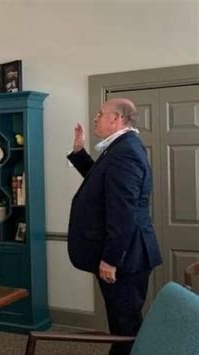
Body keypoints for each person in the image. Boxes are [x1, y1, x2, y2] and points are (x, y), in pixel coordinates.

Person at [67, 98, 162, 355]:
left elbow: (124, 213)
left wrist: (111, 259)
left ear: (116, 119)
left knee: (125, 330)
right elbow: (100, 183)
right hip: (126, 254)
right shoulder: (119, 147)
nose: (95, 118)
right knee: (123, 325)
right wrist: (79, 152)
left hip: (125, 258)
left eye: (100, 113)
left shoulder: (125, 152)